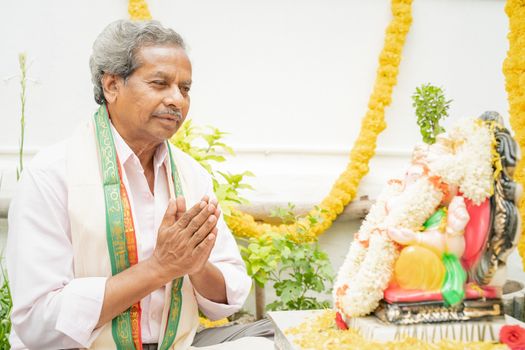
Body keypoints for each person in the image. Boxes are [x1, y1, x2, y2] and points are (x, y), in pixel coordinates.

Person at [7, 20, 273, 349]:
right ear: (111, 86)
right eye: (160, 83)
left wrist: (196, 264)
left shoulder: (191, 176)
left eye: (185, 88)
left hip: (177, 343)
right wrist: (159, 268)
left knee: (276, 338)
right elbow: (38, 321)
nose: (177, 100)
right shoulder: (51, 175)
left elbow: (228, 297)